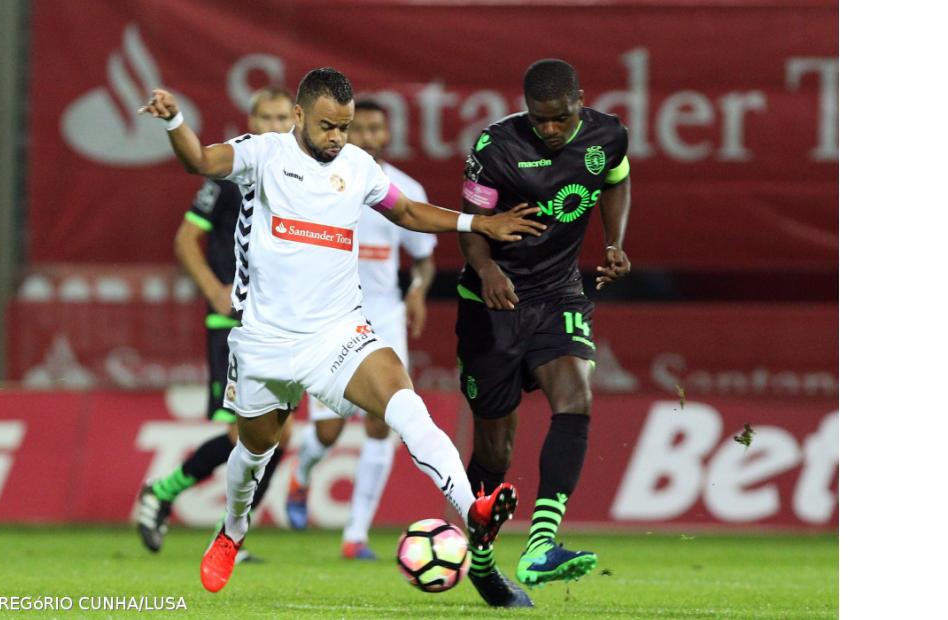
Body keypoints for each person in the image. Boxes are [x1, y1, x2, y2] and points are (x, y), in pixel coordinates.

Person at [138, 67, 545, 595]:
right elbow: (199, 160)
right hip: (265, 340)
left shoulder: (356, 167)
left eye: (345, 128)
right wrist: (175, 122)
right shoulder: (261, 155)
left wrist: (476, 223)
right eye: (328, 126)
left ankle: (473, 507)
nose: (337, 138)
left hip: (337, 333)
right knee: (253, 451)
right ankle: (231, 532)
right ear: (301, 116)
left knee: (403, 400)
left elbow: (408, 211)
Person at [456, 58, 632, 606]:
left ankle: (540, 544)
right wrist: (487, 270)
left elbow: (616, 181)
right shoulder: (495, 147)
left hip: (559, 295)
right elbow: (470, 225)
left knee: (575, 399)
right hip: (494, 302)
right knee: (495, 451)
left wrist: (613, 243)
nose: (550, 129)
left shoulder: (608, 136)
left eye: (560, 118)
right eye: (540, 119)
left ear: (580, 100)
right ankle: (482, 561)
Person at [136, 87, 296, 560]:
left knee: (278, 438)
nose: (273, 125)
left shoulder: (297, 177)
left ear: (296, 119)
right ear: (251, 119)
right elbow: (187, 238)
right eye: (264, 116)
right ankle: (170, 496)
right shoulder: (231, 172)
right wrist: (213, 289)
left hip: (279, 320)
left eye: (282, 116)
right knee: (241, 434)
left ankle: (201, 515)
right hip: (233, 319)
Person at [285, 100, 437, 561]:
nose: (369, 136)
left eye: (377, 128)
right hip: (333, 318)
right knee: (328, 431)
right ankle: (302, 473)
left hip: (386, 317)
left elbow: (424, 257)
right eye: (361, 128)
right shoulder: (322, 181)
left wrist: (417, 291)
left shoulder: (404, 189)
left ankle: (356, 534)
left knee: (382, 423)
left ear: (387, 135)